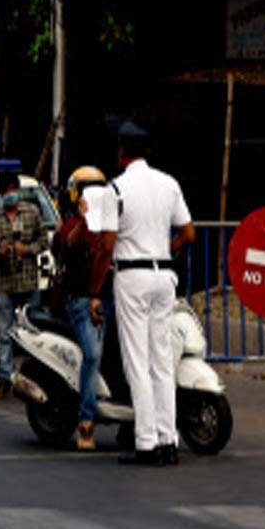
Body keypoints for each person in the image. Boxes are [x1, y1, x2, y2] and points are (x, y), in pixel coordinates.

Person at [100, 122, 195, 466]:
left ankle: (146, 441)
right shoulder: (169, 184)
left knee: (136, 361)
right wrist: (164, 248)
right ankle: (168, 439)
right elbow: (189, 233)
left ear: (122, 152)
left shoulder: (117, 189)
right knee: (161, 361)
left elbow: (109, 243)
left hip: (132, 276)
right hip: (164, 274)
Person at [54, 166, 112, 450]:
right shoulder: (71, 224)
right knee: (93, 354)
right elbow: (67, 243)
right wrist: (85, 219)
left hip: (112, 298)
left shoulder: (113, 224)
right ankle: (86, 423)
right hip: (80, 300)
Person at [0, 170, 45, 399]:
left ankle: (38, 379)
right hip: (5, 284)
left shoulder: (32, 212)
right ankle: (5, 380)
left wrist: (27, 250)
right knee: (4, 334)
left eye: (13, 189)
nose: (11, 194)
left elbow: (44, 241)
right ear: (1, 193)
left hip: (29, 281)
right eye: (6, 190)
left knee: (35, 332)